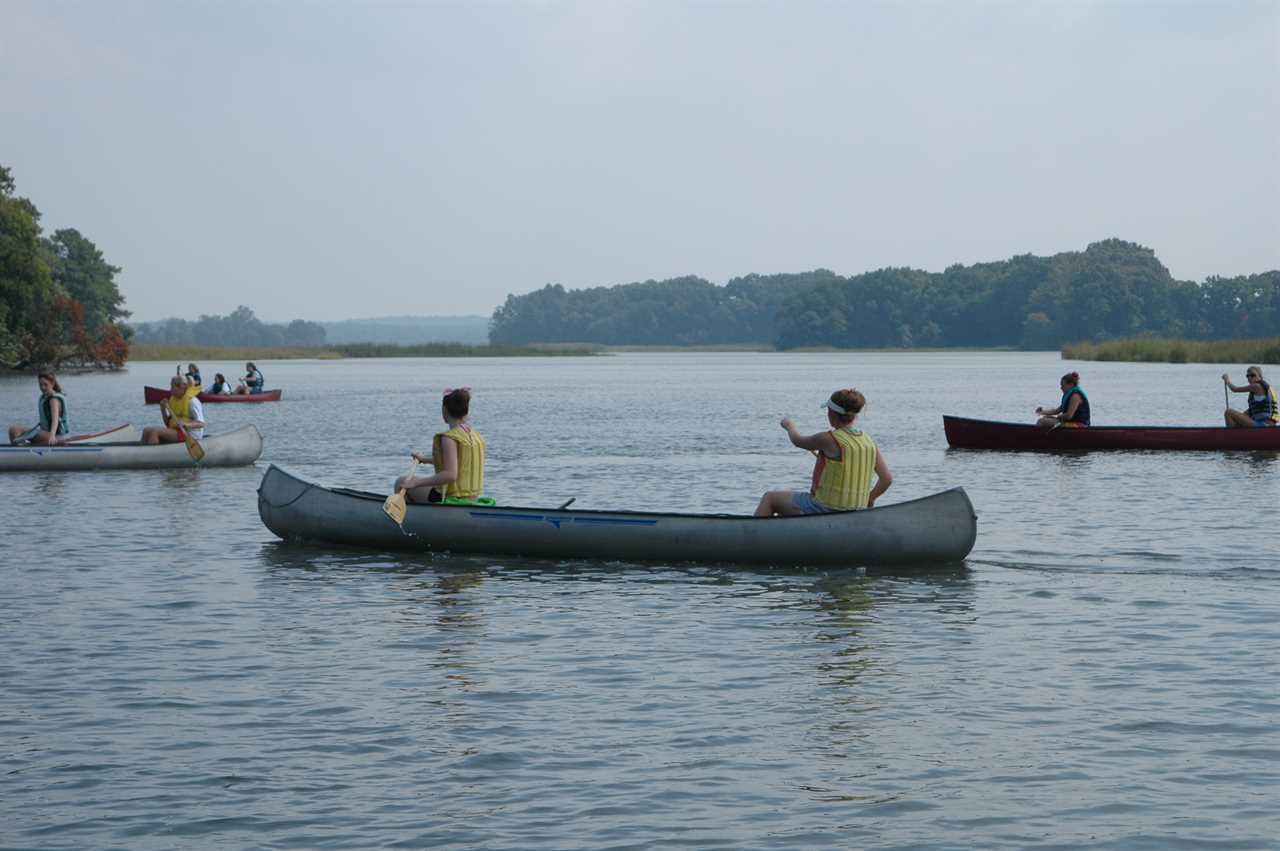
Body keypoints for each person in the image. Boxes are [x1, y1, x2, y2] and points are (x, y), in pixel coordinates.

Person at [755, 388, 892, 517]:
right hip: (857, 508)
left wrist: (789, 426)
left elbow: (797, 441)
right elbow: (886, 479)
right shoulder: (869, 441)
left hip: (824, 508)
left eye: (828, 411)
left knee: (770, 498)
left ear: (832, 414)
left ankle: (752, 537)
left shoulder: (827, 439)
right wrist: (870, 498)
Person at [394, 387, 487, 505]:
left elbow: (450, 475)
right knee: (411, 483)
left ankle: (407, 520)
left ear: (444, 410)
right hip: (472, 498)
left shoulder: (449, 438)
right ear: (466, 412)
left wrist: (417, 482)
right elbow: (459, 463)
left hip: (451, 499)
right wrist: (425, 460)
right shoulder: (474, 435)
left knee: (401, 482)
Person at [8, 372, 69, 445]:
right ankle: (21, 451)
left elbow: (55, 420)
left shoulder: (54, 399)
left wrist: (52, 436)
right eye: (40, 385)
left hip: (55, 436)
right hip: (45, 433)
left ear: (52, 384)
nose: (42, 387)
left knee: (14, 430)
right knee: (14, 430)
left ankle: (20, 452)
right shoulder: (44, 397)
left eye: (45, 385)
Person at [142, 375, 206, 444]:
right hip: (176, 431)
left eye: (172, 387)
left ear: (182, 387)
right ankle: (140, 451)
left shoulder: (192, 401)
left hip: (189, 434)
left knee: (154, 431)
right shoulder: (173, 400)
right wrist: (163, 409)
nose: (170, 390)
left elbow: (201, 424)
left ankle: (152, 453)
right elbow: (167, 424)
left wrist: (186, 425)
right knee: (146, 430)